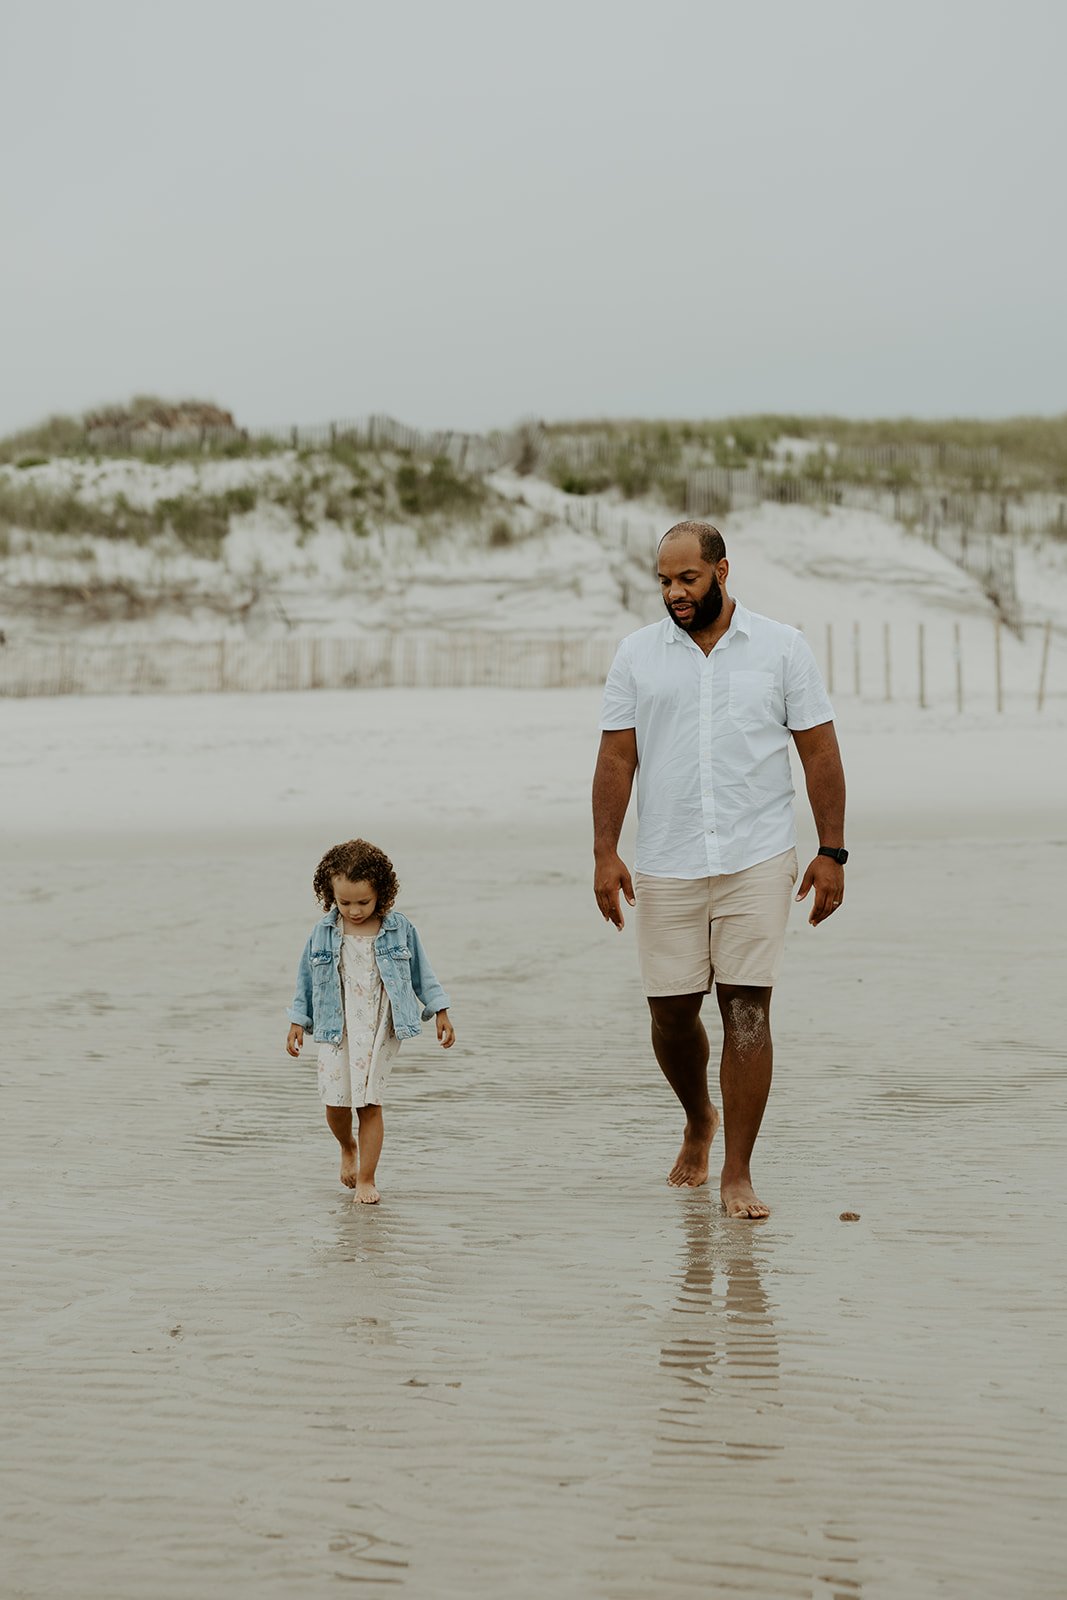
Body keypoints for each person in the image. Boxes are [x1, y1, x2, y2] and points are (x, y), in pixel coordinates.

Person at [592, 521, 846, 1218]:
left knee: (745, 1012)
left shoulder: (781, 648)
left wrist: (831, 852)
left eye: (687, 579)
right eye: (664, 581)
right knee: (670, 1014)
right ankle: (697, 1116)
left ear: (721, 571)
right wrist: (604, 851)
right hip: (666, 859)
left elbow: (818, 753)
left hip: (757, 856)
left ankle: (737, 1170)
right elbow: (617, 758)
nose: (674, 593)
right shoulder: (636, 655)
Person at [286, 838, 454, 1202]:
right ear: (330, 895)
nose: (355, 910)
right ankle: (348, 1145)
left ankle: (366, 1178)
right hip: (336, 1027)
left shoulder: (398, 929)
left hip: (379, 1027)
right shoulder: (322, 933)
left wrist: (439, 1010)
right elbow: (305, 981)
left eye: (363, 902)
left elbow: (422, 974)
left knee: (369, 1103)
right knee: (335, 1103)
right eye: (344, 902)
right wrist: (298, 1020)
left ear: (382, 893)